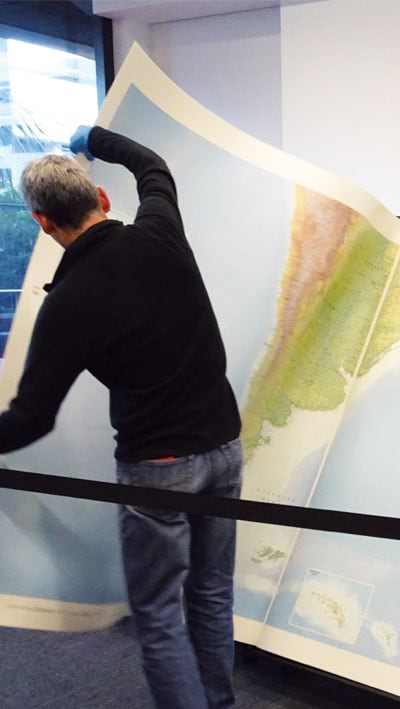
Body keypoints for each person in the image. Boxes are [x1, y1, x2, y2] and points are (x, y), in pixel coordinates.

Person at [11, 126, 243, 708]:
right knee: (211, 592)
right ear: (103, 200)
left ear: (42, 223)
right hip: (224, 446)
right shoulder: (161, 232)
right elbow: (153, 166)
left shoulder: (67, 304)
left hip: (159, 467)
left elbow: (29, 419)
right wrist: (93, 137)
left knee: (159, 613)